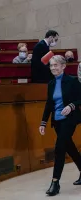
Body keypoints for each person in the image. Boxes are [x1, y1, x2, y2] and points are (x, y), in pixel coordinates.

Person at [39, 55, 81, 196]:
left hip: (70, 119)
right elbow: (49, 104)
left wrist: (71, 106)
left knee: (59, 148)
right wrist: (43, 122)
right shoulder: (51, 84)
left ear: (63, 66)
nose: (53, 68)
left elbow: (79, 98)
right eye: (51, 65)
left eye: (56, 65)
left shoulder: (72, 81)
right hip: (57, 121)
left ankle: (55, 183)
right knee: (69, 147)